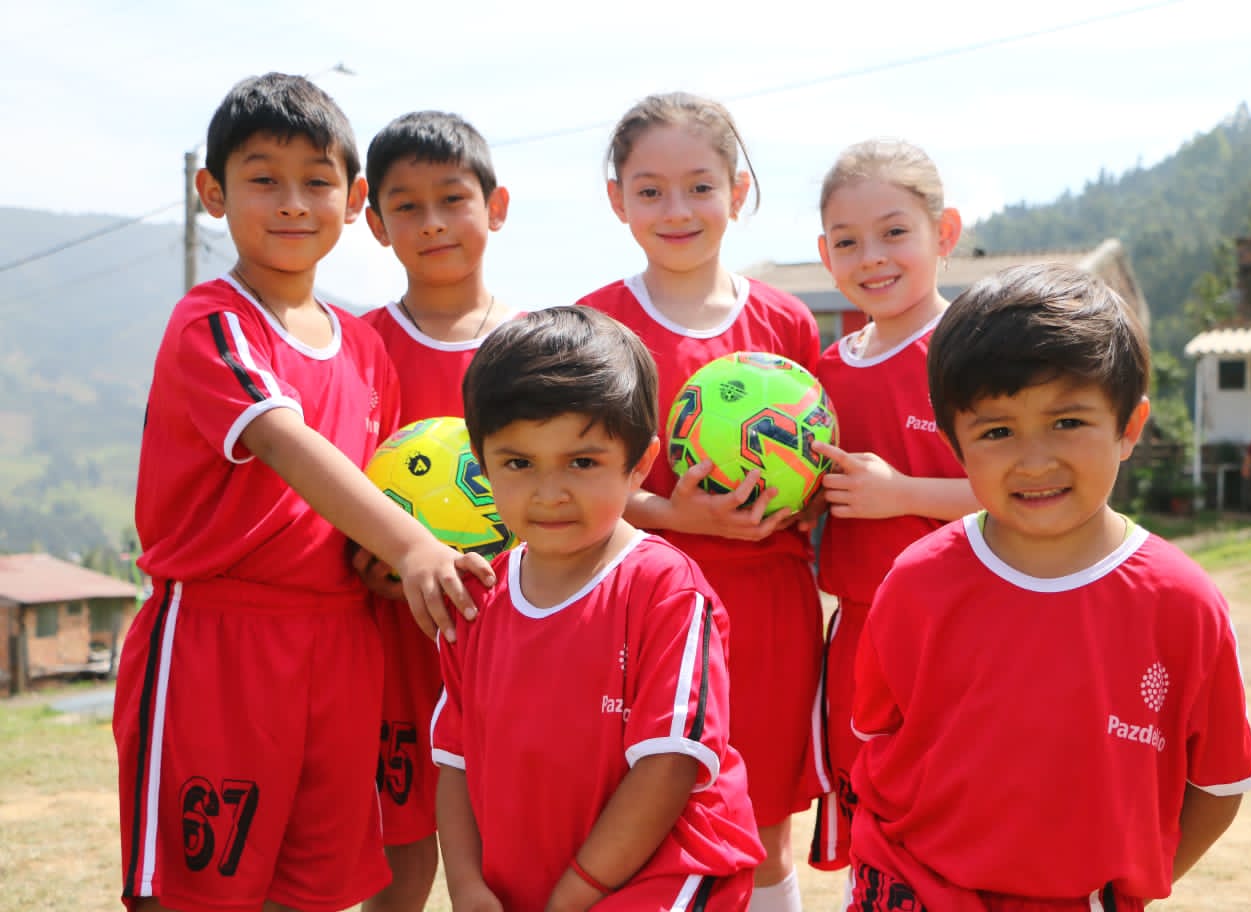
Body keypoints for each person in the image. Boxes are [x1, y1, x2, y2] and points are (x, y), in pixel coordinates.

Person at [113, 74, 494, 912]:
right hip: (221, 641)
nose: (292, 203)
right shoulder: (213, 322)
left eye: (316, 181)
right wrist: (417, 547)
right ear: (211, 192)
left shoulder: (366, 350)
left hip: (343, 642)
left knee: (316, 887)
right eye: (263, 179)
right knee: (197, 891)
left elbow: (372, 497)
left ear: (353, 200)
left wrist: (386, 566)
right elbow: (286, 443)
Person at [847, 264, 1251, 912]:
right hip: (910, 888)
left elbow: (1220, 785)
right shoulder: (916, 582)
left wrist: (1124, 882)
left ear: (1130, 425)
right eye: (997, 431)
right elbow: (875, 740)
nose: (1034, 460)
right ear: (955, 442)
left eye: (1067, 422)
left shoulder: (1182, 604)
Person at [577, 91, 824, 912]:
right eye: (649, 190)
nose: (675, 209)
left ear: (738, 192)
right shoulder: (593, 326)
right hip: (638, 609)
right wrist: (675, 517)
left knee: (761, 832)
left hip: (767, 605)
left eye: (699, 186)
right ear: (618, 201)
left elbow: (814, 470)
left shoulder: (787, 323)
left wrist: (801, 502)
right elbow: (574, 489)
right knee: (634, 824)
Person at [431, 306, 765, 911]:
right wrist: (466, 884)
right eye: (518, 463)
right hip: (527, 886)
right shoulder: (476, 597)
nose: (550, 492)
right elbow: (453, 759)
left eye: (582, 462)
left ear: (639, 465)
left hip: (656, 881)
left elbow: (668, 768)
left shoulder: (665, 589)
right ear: (482, 465)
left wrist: (572, 898)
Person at [805, 140, 978, 885]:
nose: (871, 257)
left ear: (945, 234)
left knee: (959, 820)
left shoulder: (975, 353)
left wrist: (900, 493)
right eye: (847, 242)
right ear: (824, 253)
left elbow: (1022, 492)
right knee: (870, 826)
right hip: (859, 633)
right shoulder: (823, 373)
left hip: (965, 629)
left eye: (894, 232)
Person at [357, 110, 516, 912]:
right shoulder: (357, 346)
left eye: (452, 199)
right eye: (406, 206)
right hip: (397, 647)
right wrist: (374, 563)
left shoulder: (541, 348)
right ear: (376, 223)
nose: (432, 223)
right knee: (402, 864)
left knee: (516, 859)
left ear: (496, 206)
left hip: (518, 639)